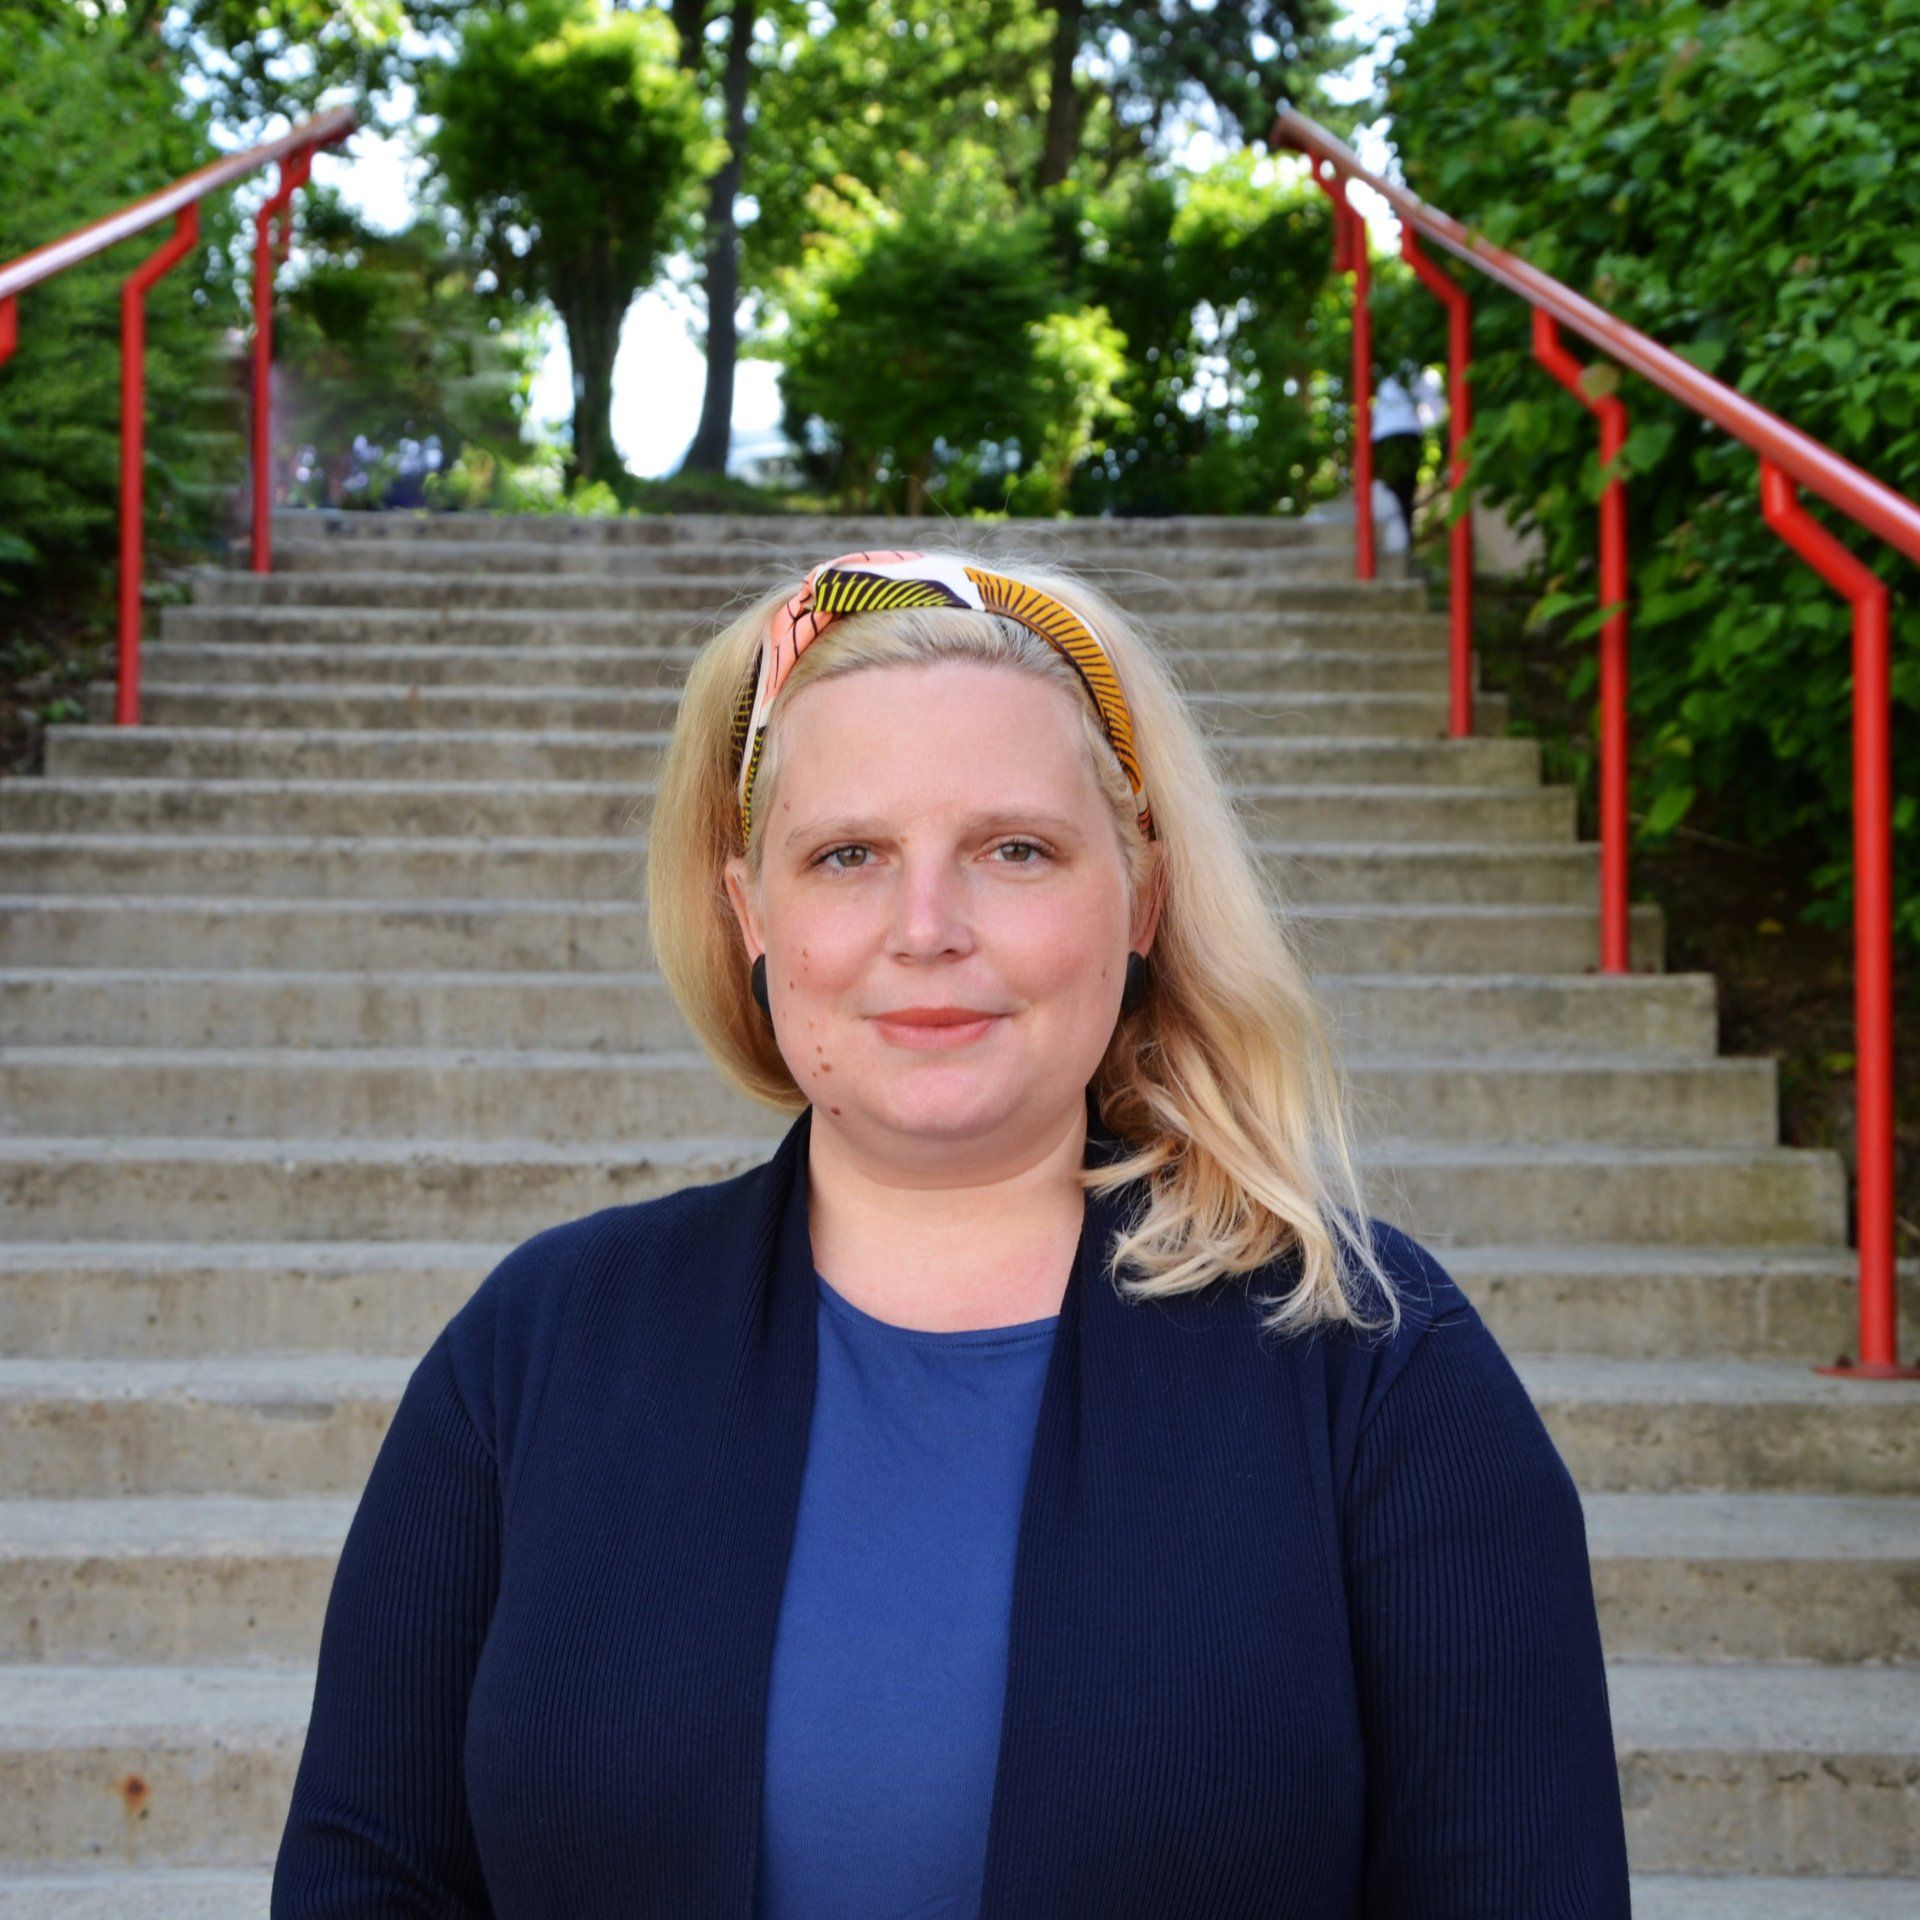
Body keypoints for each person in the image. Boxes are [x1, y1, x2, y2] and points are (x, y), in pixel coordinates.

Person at [270, 546, 1632, 1918]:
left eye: (1015, 851)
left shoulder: (1375, 1360)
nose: (926, 929)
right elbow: (367, 1880)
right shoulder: (538, 1347)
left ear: (1144, 896)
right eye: (847, 855)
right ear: (751, 914)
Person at [1370, 365, 1446, 551]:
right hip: (1406, 436)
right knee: (1403, 492)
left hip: (1385, 438)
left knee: (1396, 492)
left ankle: (1400, 544)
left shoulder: (1388, 375)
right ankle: (1404, 543)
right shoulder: (1417, 372)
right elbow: (1436, 408)